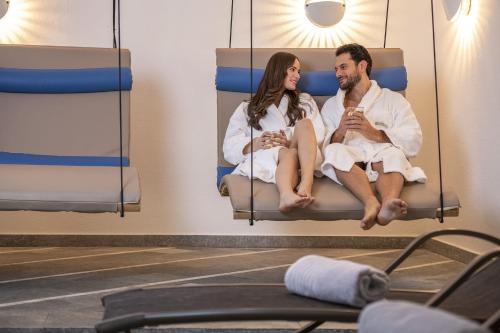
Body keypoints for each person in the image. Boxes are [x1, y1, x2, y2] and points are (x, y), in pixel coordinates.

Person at [320, 43, 426, 230]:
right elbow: (321, 148)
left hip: (383, 158)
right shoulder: (331, 106)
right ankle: (370, 202)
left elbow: (413, 138)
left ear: (362, 66)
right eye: (336, 69)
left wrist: (375, 134)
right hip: (351, 165)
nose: (338, 73)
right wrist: (340, 131)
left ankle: (388, 203)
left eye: (343, 67)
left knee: (393, 154)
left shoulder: (393, 100)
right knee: (334, 150)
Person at [223, 52, 325, 213]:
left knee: (305, 124)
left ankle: (306, 184)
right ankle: (287, 195)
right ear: (278, 70)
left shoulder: (305, 101)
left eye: (299, 71)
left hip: (303, 158)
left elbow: (318, 133)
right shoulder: (248, 108)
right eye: (292, 69)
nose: (297, 76)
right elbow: (229, 147)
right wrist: (254, 144)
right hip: (267, 158)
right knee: (287, 153)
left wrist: (289, 139)